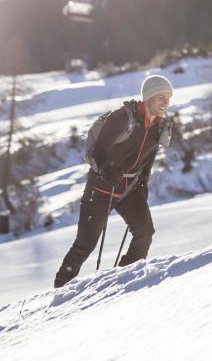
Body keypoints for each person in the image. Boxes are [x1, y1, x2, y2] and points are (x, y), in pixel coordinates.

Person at [54, 75, 174, 288]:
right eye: (160, 97)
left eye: (168, 98)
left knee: (145, 232)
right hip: (101, 188)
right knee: (85, 244)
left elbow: (149, 156)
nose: (165, 102)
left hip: (129, 189)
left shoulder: (160, 125)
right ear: (148, 97)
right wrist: (107, 168)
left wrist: (143, 182)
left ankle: (125, 279)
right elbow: (100, 149)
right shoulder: (121, 118)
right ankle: (61, 289)